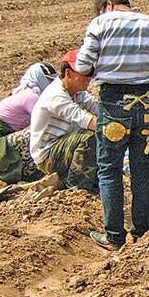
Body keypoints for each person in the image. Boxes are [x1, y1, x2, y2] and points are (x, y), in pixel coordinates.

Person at [75, 0, 149, 250]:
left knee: (110, 170)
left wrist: (102, 68)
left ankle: (114, 236)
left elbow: (82, 66)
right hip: (147, 102)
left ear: (108, 6)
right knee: (142, 170)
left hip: (114, 103)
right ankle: (142, 232)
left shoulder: (101, 23)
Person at [0, 62, 56, 186]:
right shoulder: (31, 96)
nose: (52, 85)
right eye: (49, 81)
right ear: (39, 78)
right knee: (44, 132)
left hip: (2, 137)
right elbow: (46, 122)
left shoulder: (33, 94)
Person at [29, 50, 99, 191]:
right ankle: (76, 186)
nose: (88, 79)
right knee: (90, 137)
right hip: (47, 154)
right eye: (84, 74)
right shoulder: (55, 95)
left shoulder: (77, 92)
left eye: (90, 74)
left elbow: (96, 107)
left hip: (64, 145)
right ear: (68, 73)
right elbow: (83, 118)